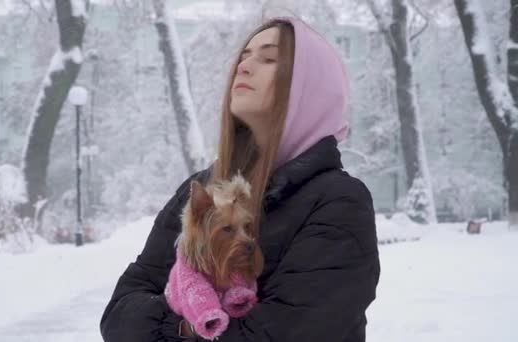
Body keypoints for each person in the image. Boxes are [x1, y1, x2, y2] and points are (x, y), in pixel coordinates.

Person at [100, 16, 380, 341]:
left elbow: (284, 332)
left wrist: (181, 328)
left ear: (310, 87)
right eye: (244, 55)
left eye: (268, 58)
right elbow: (120, 314)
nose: (243, 67)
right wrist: (185, 327)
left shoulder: (338, 202)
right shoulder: (202, 190)